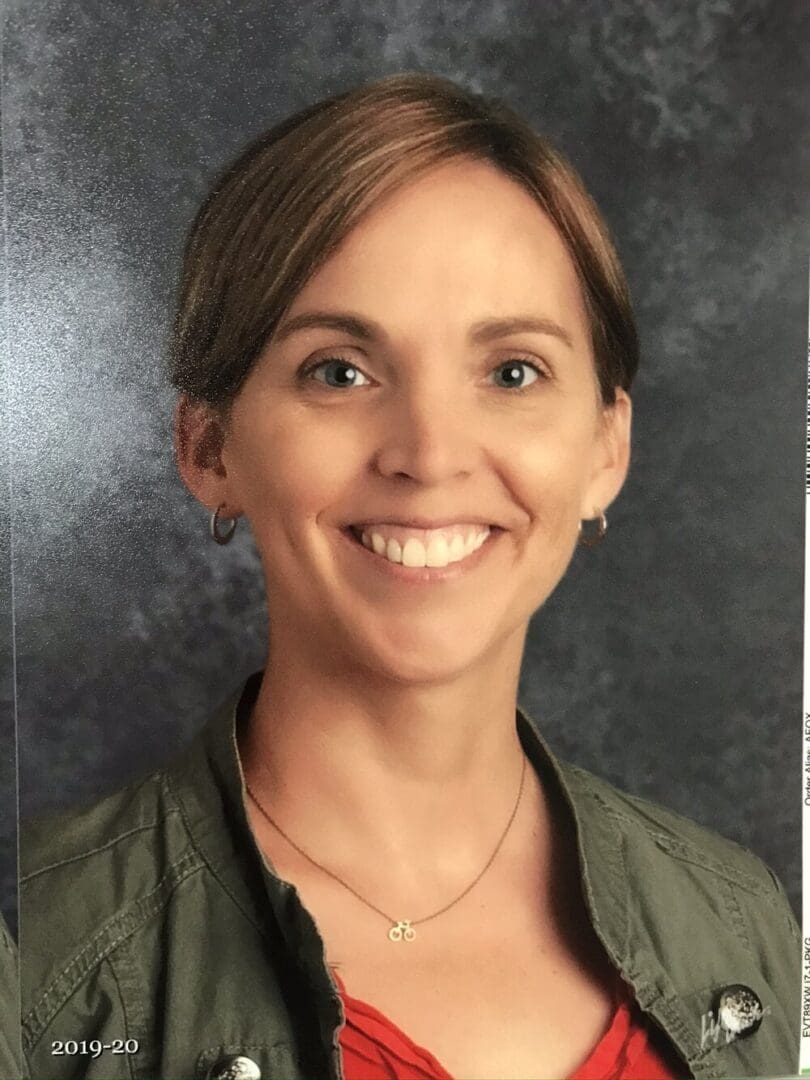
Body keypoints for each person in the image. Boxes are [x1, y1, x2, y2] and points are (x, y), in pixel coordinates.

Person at [20, 72, 799, 1080]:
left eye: (512, 372)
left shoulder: (750, 925)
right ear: (212, 447)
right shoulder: (36, 957)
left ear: (606, 447)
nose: (430, 456)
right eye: (340, 370)